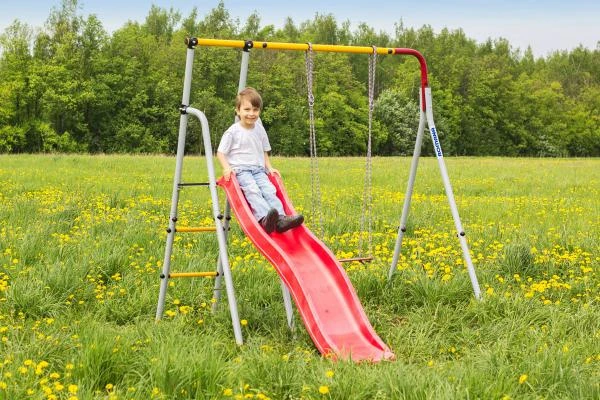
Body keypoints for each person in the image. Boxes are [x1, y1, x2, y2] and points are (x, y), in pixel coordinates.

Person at [217, 87, 304, 234]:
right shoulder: (233, 132)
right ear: (238, 111)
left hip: (258, 170)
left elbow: (264, 149)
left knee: (270, 191)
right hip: (241, 170)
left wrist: (269, 167)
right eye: (247, 109)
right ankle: (264, 219)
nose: (251, 114)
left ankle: (281, 220)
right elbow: (220, 152)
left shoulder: (259, 128)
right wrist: (226, 168)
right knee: (253, 191)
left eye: (255, 110)